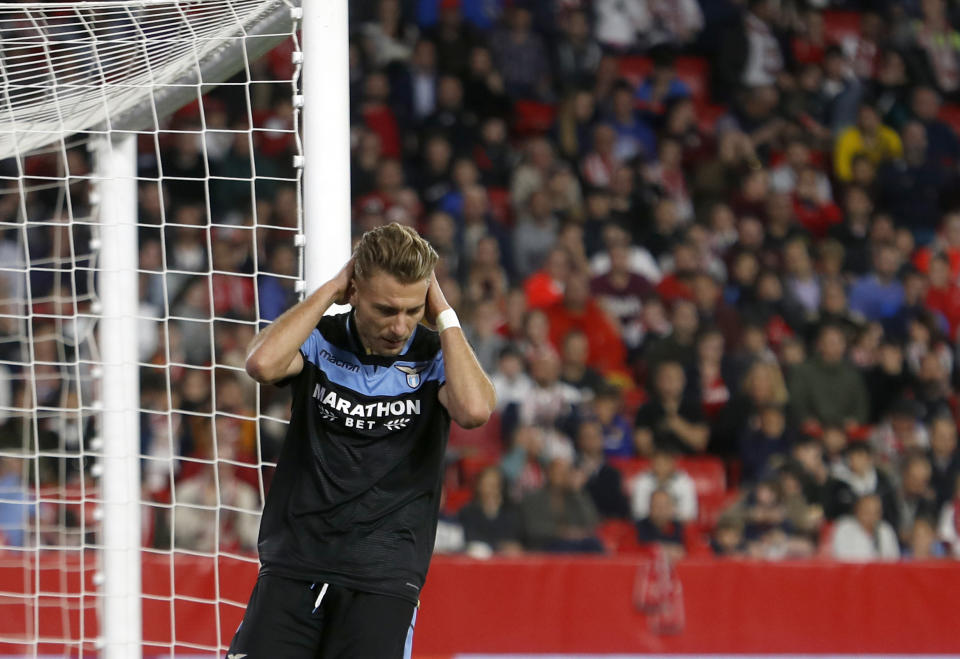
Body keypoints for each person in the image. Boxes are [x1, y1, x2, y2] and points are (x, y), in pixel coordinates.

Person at [229, 223, 496, 657]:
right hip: (295, 562)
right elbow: (262, 364)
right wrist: (331, 289)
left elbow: (474, 410)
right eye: (386, 310)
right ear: (354, 292)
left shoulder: (433, 355)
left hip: (384, 576)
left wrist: (444, 313)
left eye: (413, 311)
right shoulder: (321, 339)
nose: (400, 327)